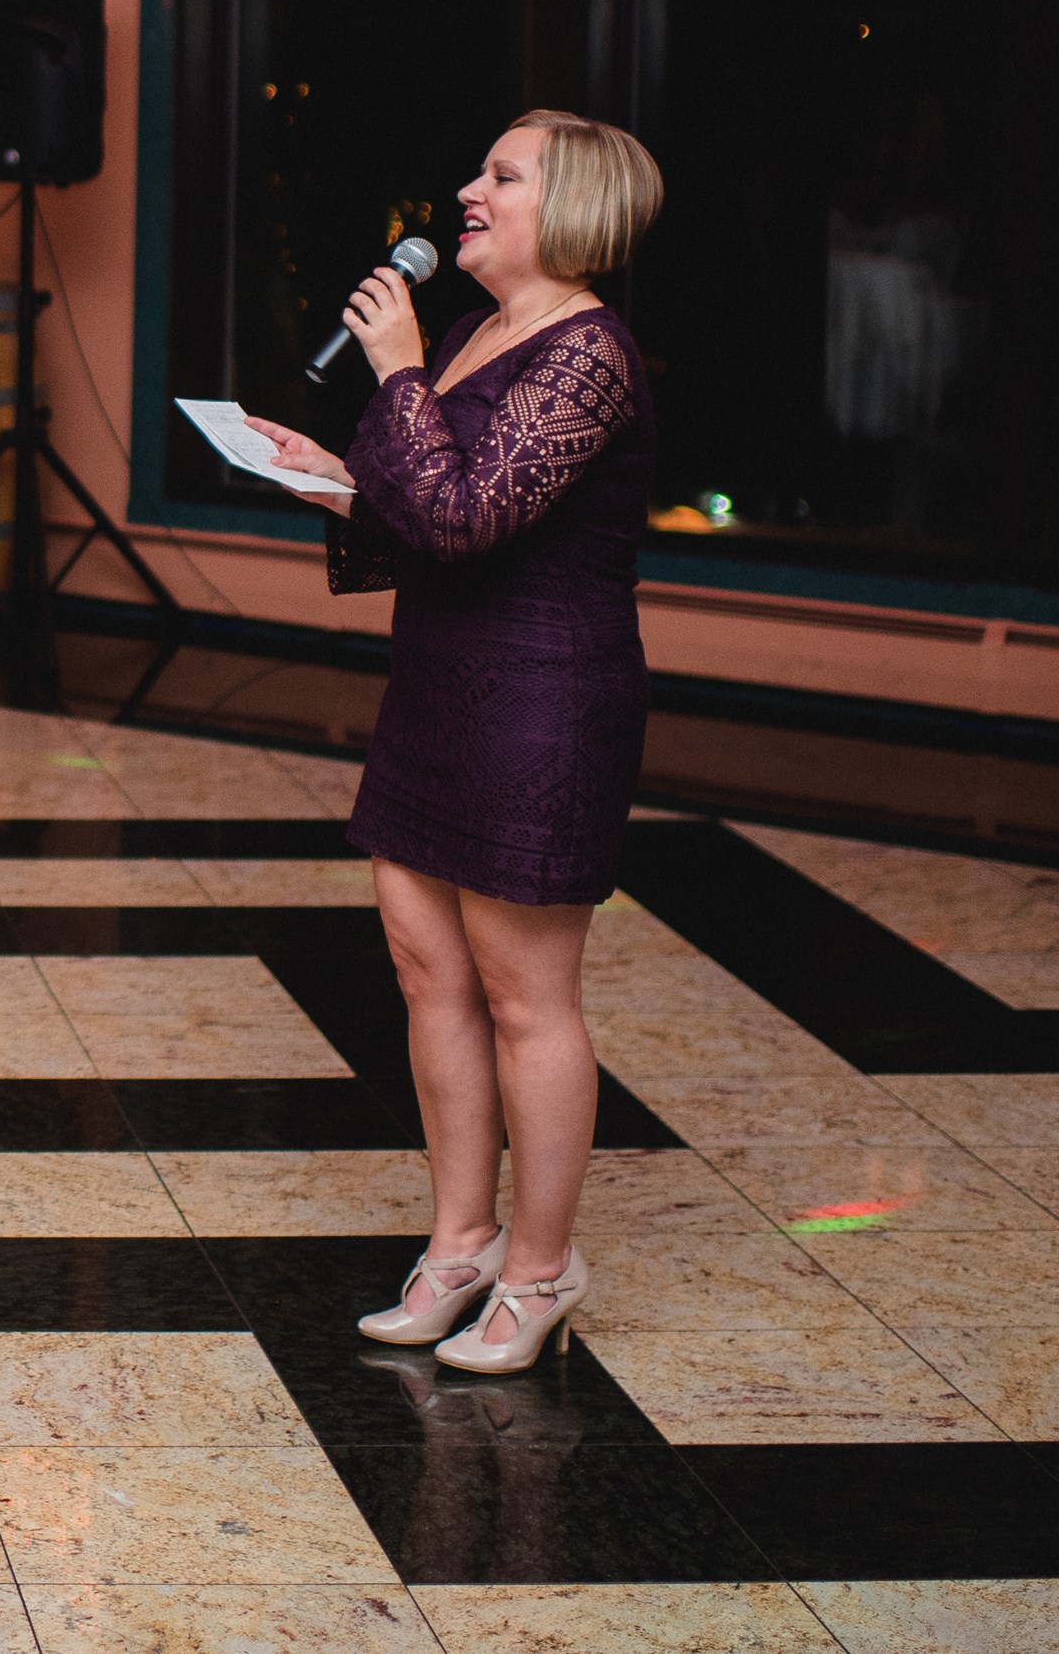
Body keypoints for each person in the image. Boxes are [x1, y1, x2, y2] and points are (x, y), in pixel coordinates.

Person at [243, 110, 663, 1374]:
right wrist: (334, 481)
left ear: (570, 206)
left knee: (529, 999)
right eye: (478, 167)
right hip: (436, 690)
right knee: (430, 974)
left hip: (543, 704)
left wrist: (394, 373)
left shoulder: (591, 353)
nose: (468, 190)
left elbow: (471, 521)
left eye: (501, 174)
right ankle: (461, 1242)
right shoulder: (482, 330)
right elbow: (425, 523)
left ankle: (541, 1268)